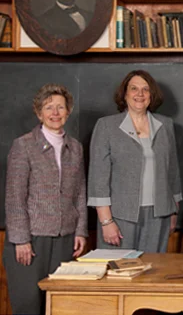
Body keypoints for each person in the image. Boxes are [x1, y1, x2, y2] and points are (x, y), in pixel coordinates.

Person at [2, 83, 87, 315]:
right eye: (49, 107)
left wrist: (80, 231)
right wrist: (20, 240)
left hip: (64, 238)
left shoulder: (75, 148)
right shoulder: (23, 145)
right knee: (29, 306)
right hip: (30, 240)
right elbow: (14, 197)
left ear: (68, 112)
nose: (55, 113)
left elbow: (79, 192)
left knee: (58, 306)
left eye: (60, 107)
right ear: (39, 112)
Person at [88, 69, 182, 253]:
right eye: (134, 89)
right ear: (124, 94)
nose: (140, 94)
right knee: (118, 276)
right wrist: (106, 221)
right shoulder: (106, 126)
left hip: (159, 215)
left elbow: (173, 172)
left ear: (151, 95)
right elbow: (98, 178)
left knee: (152, 274)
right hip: (120, 216)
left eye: (145, 89)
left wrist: (173, 212)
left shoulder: (165, 125)